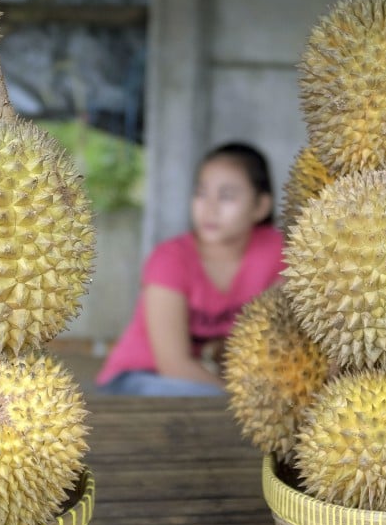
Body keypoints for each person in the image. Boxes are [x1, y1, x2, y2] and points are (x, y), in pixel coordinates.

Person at [96, 142, 285, 396]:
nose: (209, 208)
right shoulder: (170, 259)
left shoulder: (278, 252)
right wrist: (244, 401)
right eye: (201, 193)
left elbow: (288, 337)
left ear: (260, 207)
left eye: (227, 196)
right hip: (137, 379)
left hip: (216, 385)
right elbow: (174, 365)